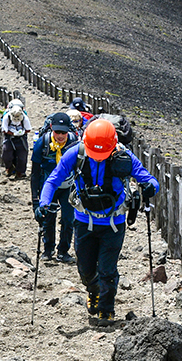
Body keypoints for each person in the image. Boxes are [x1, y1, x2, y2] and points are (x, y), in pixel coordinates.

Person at [36, 118, 158, 324]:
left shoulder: (124, 156)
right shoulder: (76, 153)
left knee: (108, 269)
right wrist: (43, 203)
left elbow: (149, 179)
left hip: (113, 223)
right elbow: (53, 179)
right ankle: (93, 290)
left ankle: (106, 309)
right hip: (84, 221)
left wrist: (150, 188)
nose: (99, 158)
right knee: (85, 269)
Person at [30, 112, 79, 262]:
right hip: (48, 187)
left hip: (68, 187)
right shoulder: (42, 143)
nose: (60, 135)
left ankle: (63, 251)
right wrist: (35, 199)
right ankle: (48, 249)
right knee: (48, 217)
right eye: (57, 132)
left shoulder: (74, 143)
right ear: (51, 128)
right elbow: (35, 172)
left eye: (64, 132)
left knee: (68, 219)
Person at [1, 99, 32, 179]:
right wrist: (13, 133)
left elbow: (28, 129)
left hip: (21, 137)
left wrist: (21, 132)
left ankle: (20, 172)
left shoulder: (24, 118)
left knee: (22, 155)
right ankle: (9, 168)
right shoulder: (6, 117)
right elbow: (4, 130)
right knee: (6, 153)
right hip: (9, 137)